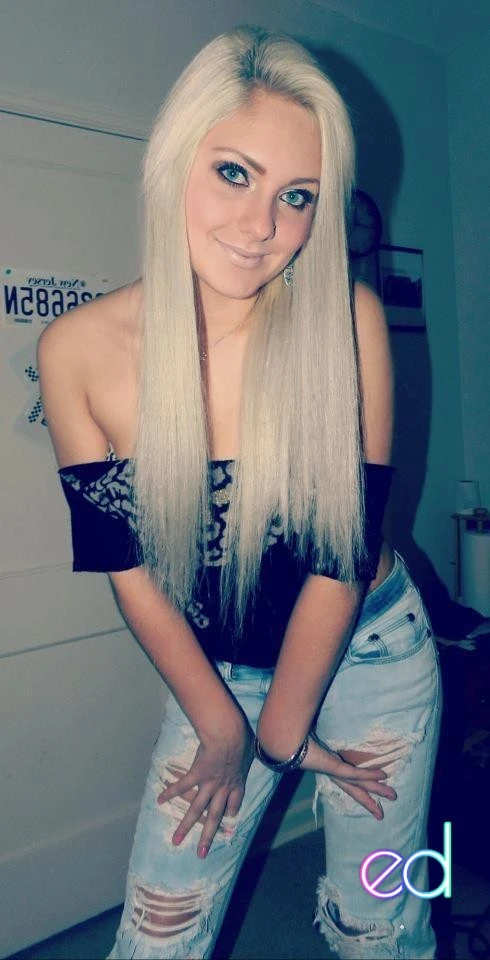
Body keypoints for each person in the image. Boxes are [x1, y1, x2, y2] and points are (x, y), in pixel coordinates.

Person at [38, 26, 441, 960]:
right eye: (233, 174)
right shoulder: (78, 352)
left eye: (297, 196)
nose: (261, 226)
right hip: (219, 673)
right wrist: (225, 725)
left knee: (382, 926)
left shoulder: (348, 317)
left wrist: (285, 732)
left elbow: (344, 552)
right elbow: (127, 567)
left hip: (372, 647)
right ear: (174, 160)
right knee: (157, 936)